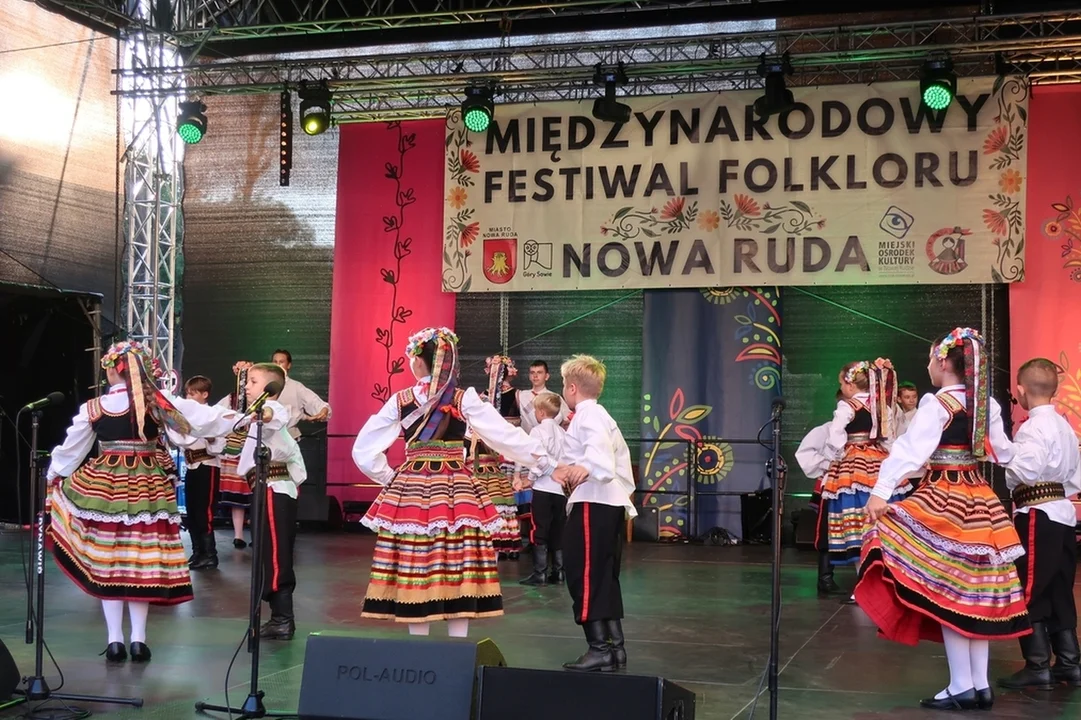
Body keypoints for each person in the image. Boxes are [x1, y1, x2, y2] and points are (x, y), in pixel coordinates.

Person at [857, 328, 1029, 711]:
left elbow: (911, 451)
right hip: (980, 498)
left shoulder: (938, 404)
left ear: (943, 362)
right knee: (974, 591)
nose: (928, 365)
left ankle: (961, 685)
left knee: (948, 590)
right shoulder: (985, 404)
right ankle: (978, 684)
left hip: (946, 498)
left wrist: (881, 490)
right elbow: (1002, 452)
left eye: (931, 358)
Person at [351, 327, 551, 638]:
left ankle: (419, 645)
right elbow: (502, 434)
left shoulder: (401, 400)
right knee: (459, 557)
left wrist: (389, 476)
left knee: (416, 558)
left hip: (412, 489)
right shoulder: (463, 398)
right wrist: (542, 459)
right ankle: (458, 646)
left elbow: (363, 449)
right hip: (456, 488)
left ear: (419, 363)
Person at [46, 340, 232, 663]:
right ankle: (138, 640)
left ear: (111, 369)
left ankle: (114, 640)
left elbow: (70, 449)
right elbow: (190, 429)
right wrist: (235, 420)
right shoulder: (155, 403)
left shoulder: (96, 407)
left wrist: (53, 475)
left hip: (105, 489)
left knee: (109, 562)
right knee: (140, 562)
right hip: (149, 488)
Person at [549, 355, 637, 672]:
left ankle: (598, 648)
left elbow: (601, 461)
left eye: (563, 386)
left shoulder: (588, 416)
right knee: (602, 576)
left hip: (594, 502)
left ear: (572, 388)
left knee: (582, 573)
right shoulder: (601, 415)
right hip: (608, 503)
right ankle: (615, 647)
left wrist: (580, 469)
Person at [998, 358, 1081, 689]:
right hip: (1062, 513)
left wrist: (1006, 461)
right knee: (1059, 586)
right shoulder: (1064, 426)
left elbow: (1025, 472)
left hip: (1038, 514)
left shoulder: (1032, 428)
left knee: (1029, 587)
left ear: (1020, 390)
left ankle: (1037, 665)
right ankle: (1069, 662)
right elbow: (1075, 477)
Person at [816, 359, 906, 598]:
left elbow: (835, 435)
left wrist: (833, 458)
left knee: (855, 522)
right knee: (879, 522)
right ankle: (883, 581)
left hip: (853, 466)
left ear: (850, 384)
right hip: (877, 463)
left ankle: (864, 583)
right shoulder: (881, 407)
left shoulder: (847, 406)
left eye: (841, 383)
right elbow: (889, 439)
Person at [170, 375, 224, 570]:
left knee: (205, 511)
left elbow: (220, 443)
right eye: (187, 394)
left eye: (193, 394)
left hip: (208, 465)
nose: (189, 397)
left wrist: (210, 437)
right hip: (192, 466)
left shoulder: (212, 414)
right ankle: (197, 552)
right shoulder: (186, 416)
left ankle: (210, 554)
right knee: (192, 512)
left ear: (204, 394)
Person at [474, 354, 522, 559]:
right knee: (492, 496)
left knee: (508, 496)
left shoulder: (518, 395)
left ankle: (508, 540)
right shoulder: (481, 397)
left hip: (509, 447)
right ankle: (492, 540)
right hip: (487, 450)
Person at [518, 392, 568, 586]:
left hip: (543, 488)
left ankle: (540, 573)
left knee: (539, 528)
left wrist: (530, 479)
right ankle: (559, 571)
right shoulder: (563, 433)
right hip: (560, 489)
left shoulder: (537, 432)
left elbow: (538, 461)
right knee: (558, 529)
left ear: (540, 412)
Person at [217, 361, 254, 549]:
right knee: (237, 497)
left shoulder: (261, 401)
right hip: (235, 450)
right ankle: (238, 535)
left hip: (254, 447)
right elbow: (217, 414)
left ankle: (256, 533)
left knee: (257, 494)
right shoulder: (230, 400)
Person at [271, 349, 331, 440]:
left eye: (281, 362)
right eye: (275, 362)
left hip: (289, 438)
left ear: (288, 365)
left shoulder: (296, 387)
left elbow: (316, 403)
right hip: (266, 438)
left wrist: (323, 410)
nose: (278, 365)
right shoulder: (264, 384)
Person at [516, 360, 570, 434]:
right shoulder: (520, 395)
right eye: (532, 373)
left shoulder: (555, 398)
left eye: (539, 372)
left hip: (550, 441)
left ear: (546, 376)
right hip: (527, 440)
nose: (535, 376)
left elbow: (568, 419)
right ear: (529, 376)